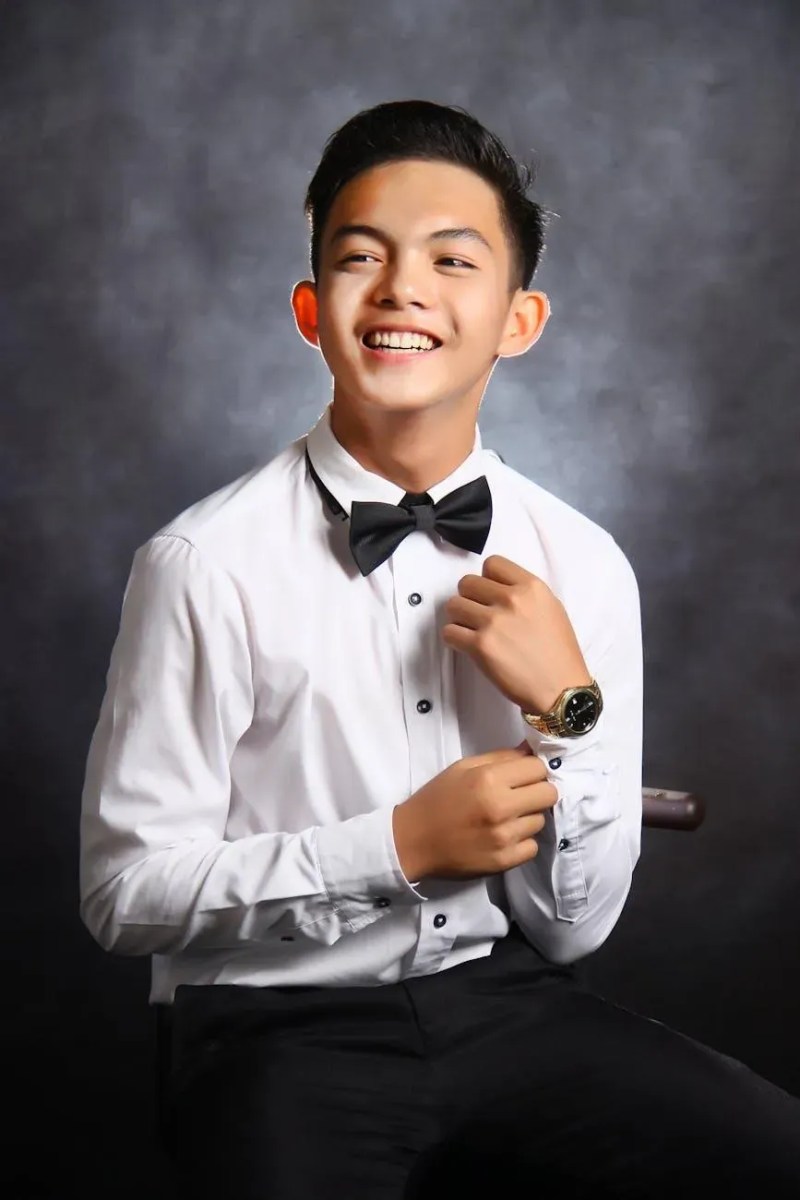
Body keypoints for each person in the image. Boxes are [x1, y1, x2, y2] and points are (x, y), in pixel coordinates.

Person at [79, 99, 800, 1199]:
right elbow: (124, 893)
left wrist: (568, 712)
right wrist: (399, 846)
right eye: (362, 258)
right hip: (271, 1031)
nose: (403, 289)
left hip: (505, 1002)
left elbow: (570, 934)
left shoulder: (585, 563)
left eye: (450, 259)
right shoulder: (200, 562)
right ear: (311, 310)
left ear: (519, 320)